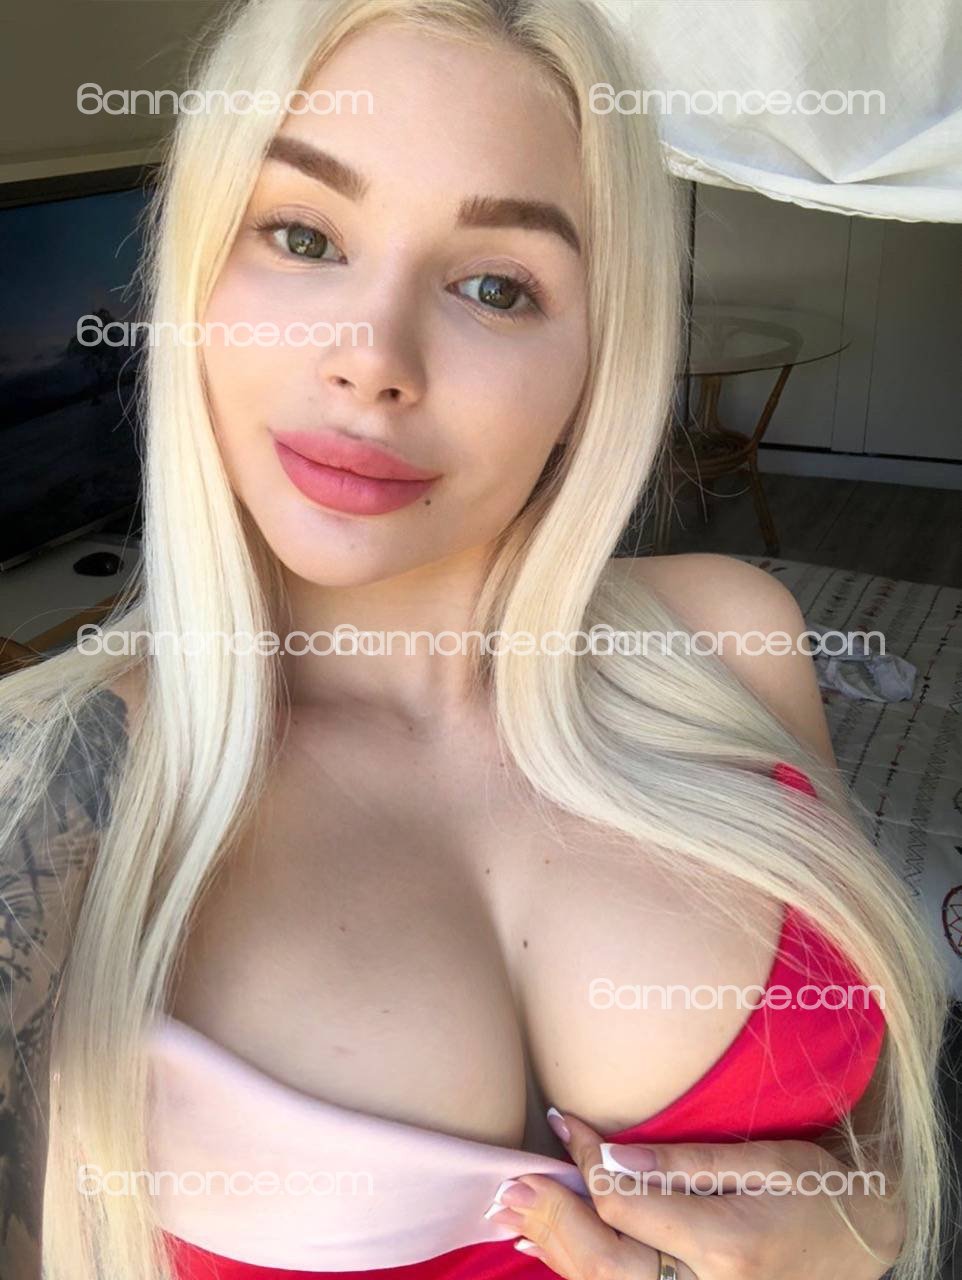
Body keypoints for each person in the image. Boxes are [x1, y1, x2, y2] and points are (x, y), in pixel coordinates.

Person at [0, 2, 951, 1279]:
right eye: (303, 235)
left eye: (495, 286)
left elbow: (873, 1129)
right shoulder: (56, 785)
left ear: (594, 360)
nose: (372, 360)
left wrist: (868, 1218)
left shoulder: (731, 633)